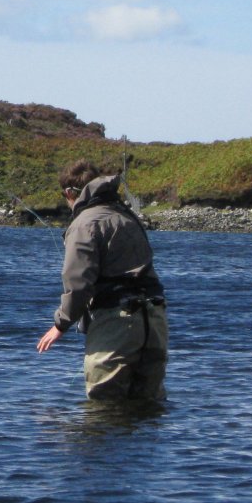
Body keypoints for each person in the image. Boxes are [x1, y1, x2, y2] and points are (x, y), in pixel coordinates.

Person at [36, 161, 168, 401]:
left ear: (69, 193)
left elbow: (78, 284)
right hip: (154, 320)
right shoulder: (127, 216)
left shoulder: (84, 224)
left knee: (103, 411)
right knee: (148, 408)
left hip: (117, 324)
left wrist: (60, 325)